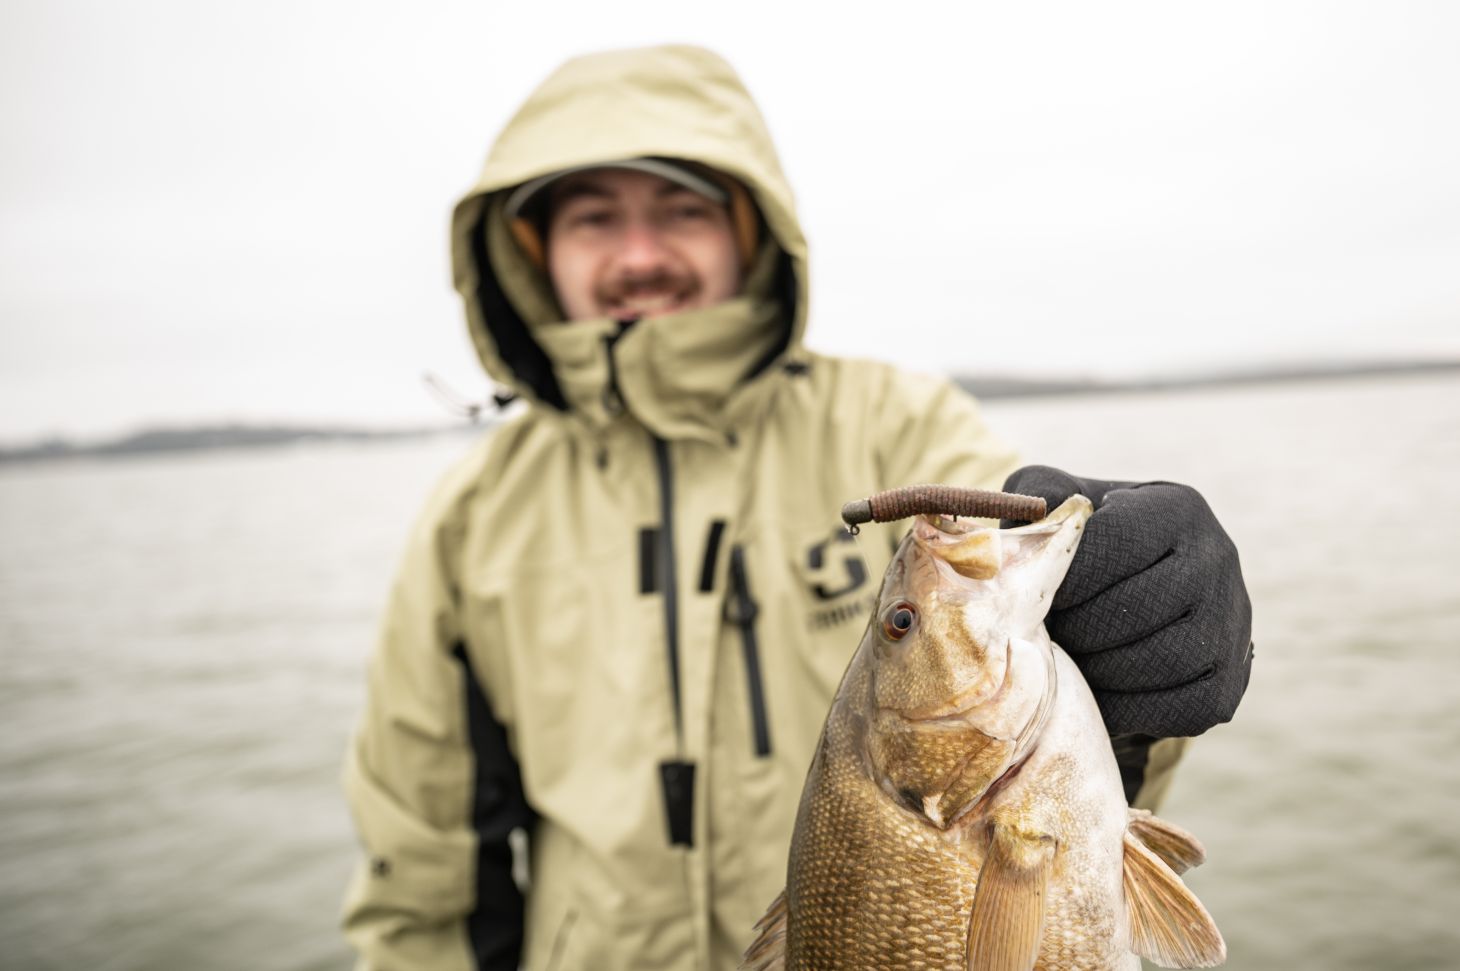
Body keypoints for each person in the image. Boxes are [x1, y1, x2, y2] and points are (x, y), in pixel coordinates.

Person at [340, 44, 1253, 971]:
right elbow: (423, 868)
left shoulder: (898, 423)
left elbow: (1028, 604)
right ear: (533, 253)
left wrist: (1137, 631)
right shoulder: (473, 518)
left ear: (752, 226)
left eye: (681, 210)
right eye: (594, 218)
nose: (640, 253)